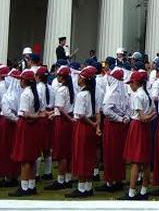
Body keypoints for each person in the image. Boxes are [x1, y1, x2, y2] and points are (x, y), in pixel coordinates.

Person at [10, 69, 46, 197]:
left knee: (25, 158)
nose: (19, 81)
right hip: (33, 128)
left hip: (26, 126)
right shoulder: (36, 93)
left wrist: (36, 116)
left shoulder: (26, 94)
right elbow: (41, 110)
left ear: (24, 81)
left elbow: (25, 113)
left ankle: (24, 187)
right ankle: (31, 185)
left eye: (21, 79)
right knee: (31, 157)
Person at [64, 66, 99, 198]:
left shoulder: (81, 95)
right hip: (89, 127)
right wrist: (95, 125)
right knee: (89, 155)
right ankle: (88, 186)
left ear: (83, 80)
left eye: (79, 77)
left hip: (83, 126)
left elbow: (80, 115)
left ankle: (82, 187)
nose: (77, 79)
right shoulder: (92, 93)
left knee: (81, 155)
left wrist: (93, 124)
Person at [122, 69, 154, 200]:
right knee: (145, 161)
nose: (130, 85)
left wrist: (147, 116)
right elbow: (152, 114)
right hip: (145, 128)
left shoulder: (138, 96)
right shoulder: (148, 95)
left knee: (135, 161)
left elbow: (142, 117)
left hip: (137, 126)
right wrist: (150, 115)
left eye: (131, 83)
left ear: (136, 82)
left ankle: (131, 192)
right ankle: (144, 190)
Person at [99, 67, 129, 193]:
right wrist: (125, 117)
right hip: (121, 124)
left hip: (112, 125)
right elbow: (128, 107)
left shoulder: (112, 92)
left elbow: (107, 110)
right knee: (118, 153)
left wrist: (119, 118)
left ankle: (110, 181)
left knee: (110, 153)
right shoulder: (124, 91)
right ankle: (118, 179)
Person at [46, 66, 75, 191]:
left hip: (63, 121)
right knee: (67, 152)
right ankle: (67, 178)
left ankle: (61, 179)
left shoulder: (61, 90)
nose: (57, 77)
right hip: (67, 120)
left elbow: (60, 108)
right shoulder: (70, 89)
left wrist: (68, 118)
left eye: (58, 76)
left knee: (62, 152)